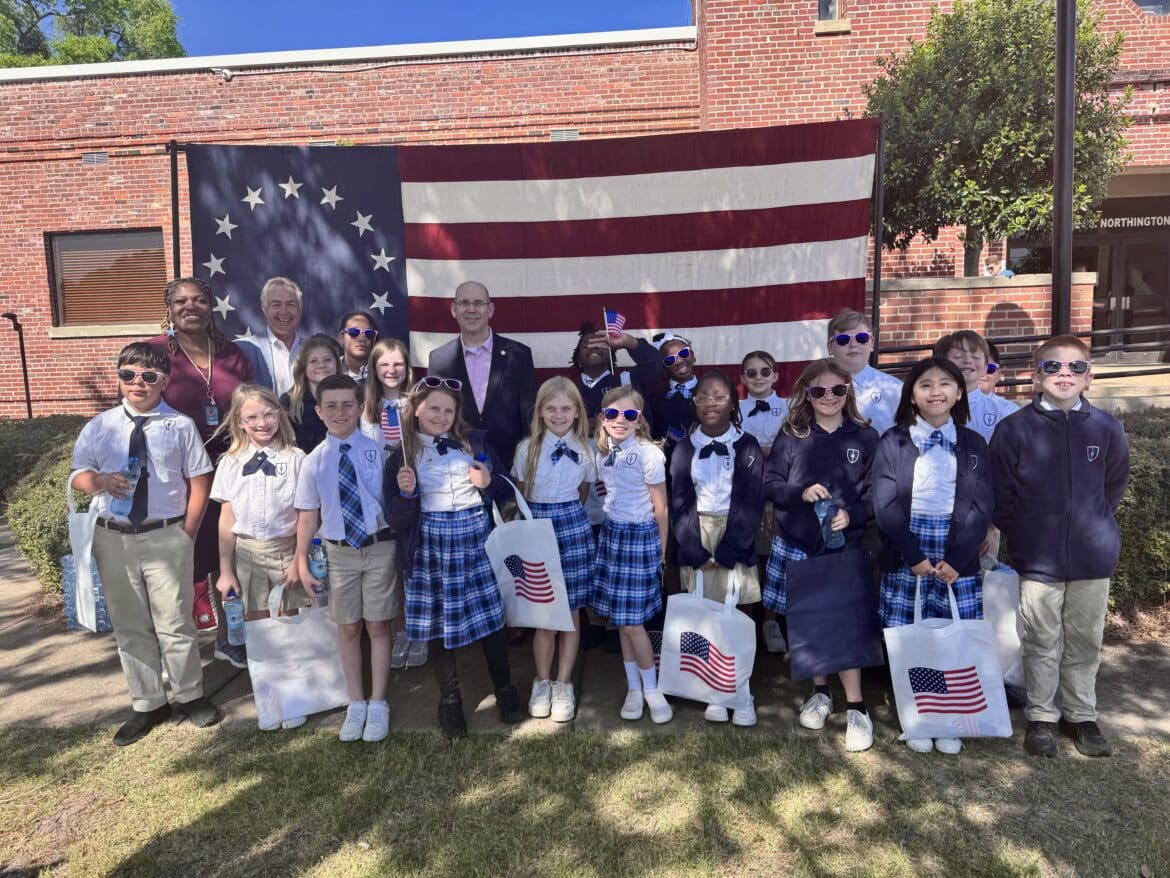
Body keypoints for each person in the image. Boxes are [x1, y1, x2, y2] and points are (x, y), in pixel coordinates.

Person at [70, 342, 221, 746]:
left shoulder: (180, 426)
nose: (138, 383)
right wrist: (100, 481)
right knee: (130, 623)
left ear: (164, 382)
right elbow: (78, 475)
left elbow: (200, 480)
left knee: (176, 621)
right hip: (114, 537)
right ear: (119, 377)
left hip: (167, 535)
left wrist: (187, 533)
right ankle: (148, 701)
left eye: (148, 377)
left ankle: (189, 694)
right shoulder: (100, 426)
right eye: (128, 375)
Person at [990, 335, 1130, 759]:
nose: (1064, 374)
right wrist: (1025, 532)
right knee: (1040, 638)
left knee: (1085, 639)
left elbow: (1113, 484)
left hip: (1092, 556)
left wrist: (1095, 524)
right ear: (1036, 376)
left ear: (1089, 377)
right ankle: (1041, 716)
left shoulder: (1107, 428)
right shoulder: (1014, 429)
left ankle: (1081, 714)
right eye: (1052, 366)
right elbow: (1001, 494)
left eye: (1075, 367)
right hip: (1038, 558)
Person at [386, 375, 524, 739]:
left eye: (449, 410)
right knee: (438, 625)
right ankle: (450, 699)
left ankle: (504, 687)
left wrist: (488, 483)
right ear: (416, 409)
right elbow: (396, 520)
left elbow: (504, 493)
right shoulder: (402, 456)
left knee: (491, 618)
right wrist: (407, 495)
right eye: (433, 408)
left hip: (475, 540)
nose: (441, 416)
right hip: (431, 547)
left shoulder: (473, 445)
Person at [872, 357, 994, 755]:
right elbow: (885, 505)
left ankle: (948, 714)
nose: (935, 391)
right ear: (912, 394)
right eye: (925, 384)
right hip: (909, 547)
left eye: (945, 384)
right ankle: (918, 713)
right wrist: (913, 555)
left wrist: (958, 559)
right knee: (910, 631)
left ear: (959, 393)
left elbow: (981, 506)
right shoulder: (893, 441)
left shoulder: (973, 444)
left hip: (957, 549)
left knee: (950, 632)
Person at [763, 358, 879, 752]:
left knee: (845, 624)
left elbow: (876, 494)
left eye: (837, 390)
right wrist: (800, 492)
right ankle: (820, 692)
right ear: (806, 394)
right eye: (819, 391)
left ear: (848, 392)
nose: (829, 397)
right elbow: (771, 483)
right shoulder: (792, 435)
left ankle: (857, 707)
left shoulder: (865, 437)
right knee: (808, 621)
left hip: (844, 547)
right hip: (799, 543)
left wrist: (854, 514)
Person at [149, 277, 254, 668]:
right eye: (181, 302)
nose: (190, 307)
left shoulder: (232, 354)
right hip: (176, 477)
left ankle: (230, 638)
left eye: (198, 300)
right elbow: (136, 407)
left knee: (227, 557)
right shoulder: (154, 353)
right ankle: (176, 650)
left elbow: (250, 406)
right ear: (169, 310)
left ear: (211, 306)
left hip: (230, 470)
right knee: (178, 563)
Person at [294, 375, 398, 743]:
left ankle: (378, 701)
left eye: (347, 405)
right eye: (331, 406)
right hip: (339, 554)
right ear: (319, 411)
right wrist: (300, 560)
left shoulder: (379, 451)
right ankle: (356, 702)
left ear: (360, 408)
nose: (340, 412)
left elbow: (393, 500)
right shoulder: (314, 461)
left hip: (380, 548)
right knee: (349, 627)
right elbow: (308, 515)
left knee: (378, 625)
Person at [669, 370, 764, 727]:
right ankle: (712, 689)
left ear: (733, 403)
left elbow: (752, 501)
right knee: (704, 614)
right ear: (694, 402)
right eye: (703, 396)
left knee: (738, 612)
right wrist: (694, 549)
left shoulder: (747, 445)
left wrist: (729, 550)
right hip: (697, 533)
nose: (711, 403)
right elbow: (679, 501)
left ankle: (741, 688)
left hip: (735, 536)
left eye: (719, 396)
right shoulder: (683, 448)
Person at [210, 386, 309, 726]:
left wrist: (300, 558)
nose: (262, 422)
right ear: (239, 421)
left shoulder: (296, 459)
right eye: (252, 417)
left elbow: (305, 514)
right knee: (259, 629)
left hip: (286, 551)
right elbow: (226, 520)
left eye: (268, 414)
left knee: (289, 626)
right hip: (248, 553)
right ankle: (271, 701)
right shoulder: (230, 463)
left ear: (280, 415)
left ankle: (294, 699)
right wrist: (225, 569)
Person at [511, 377, 597, 722]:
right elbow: (521, 492)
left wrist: (565, 514)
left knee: (570, 611)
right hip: (537, 527)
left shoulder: (586, 449)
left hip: (572, 526)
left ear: (577, 413)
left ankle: (564, 683)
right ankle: (542, 680)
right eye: (551, 408)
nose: (559, 415)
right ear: (540, 412)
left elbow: (583, 493)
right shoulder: (526, 449)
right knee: (544, 611)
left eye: (565, 408)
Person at [592, 386, 673, 724]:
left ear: (640, 420)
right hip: (613, 535)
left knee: (633, 622)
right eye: (612, 413)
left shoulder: (648, 454)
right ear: (603, 418)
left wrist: (661, 553)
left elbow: (661, 508)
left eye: (629, 414)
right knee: (623, 621)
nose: (620, 420)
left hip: (640, 538)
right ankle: (634, 688)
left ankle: (652, 689)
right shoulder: (602, 453)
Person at [358, 337, 425, 671]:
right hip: (378, 489)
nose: (391, 370)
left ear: (407, 367)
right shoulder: (365, 405)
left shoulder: (417, 400)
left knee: (413, 562)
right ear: (374, 368)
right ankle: (400, 630)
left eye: (398, 364)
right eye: (384, 364)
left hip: (411, 485)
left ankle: (419, 630)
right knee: (392, 567)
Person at [426, 280, 537, 468]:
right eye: (464, 303)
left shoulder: (519, 355)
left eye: (478, 303)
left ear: (490, 309)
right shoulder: (439, 359)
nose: (471, 309)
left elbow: (529, 415)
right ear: (454, 309)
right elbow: (434, 418)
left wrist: (527, 465)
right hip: (456, 467)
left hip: (510, 466)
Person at [739, 349, 790, 654]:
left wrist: (754, 449)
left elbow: (792, 447)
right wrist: (769, 448)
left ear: (775, 376)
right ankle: (746, 619)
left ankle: (770, 621)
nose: (759, 377)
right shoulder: (735, 409)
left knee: (774, 557)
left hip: (779, 493)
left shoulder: (790, 406)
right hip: (744, 494)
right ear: (743, 378)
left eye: (765, 371)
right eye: (752, 372)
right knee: (747, 556)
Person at [825, 309, 901, 436]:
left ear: (872, 343)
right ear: (830, 346)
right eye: (843, 339)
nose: (853, 344)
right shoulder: (815, 390)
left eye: (862, 338)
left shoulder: (895, 390)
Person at [933, 330, 1019, 442]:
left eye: (976, 357)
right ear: (944, 362)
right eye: (958, 356)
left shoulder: (1004, 413)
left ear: (985, 367)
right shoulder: (929, 407)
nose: (968, 360)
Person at [569, 321, 659, 419]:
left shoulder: (627, 381)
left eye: (601, 343)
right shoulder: (567, 388)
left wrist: (628, 342)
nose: (594, 347)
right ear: (578, 357)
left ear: (611, 355)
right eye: (586, 345)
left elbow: (656, 364)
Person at [237, 277, 306, 396]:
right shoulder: (241, 350)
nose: (284, 311)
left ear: (300, 309)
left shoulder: (314, 351)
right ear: (264, 309)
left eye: (291, 304)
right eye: (276, 305)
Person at [282, 334, 343, 454]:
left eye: (327, 360)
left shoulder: (351, 397)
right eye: (313, 361)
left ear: (336, 364)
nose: (321, 365)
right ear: (303, 367)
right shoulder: (289, 402)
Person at [644, 334, 698, 448]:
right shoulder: (654, 399)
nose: (679, 361)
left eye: (684, 353)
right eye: (670, 360)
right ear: (663, 367)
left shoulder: (707, 392)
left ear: (693, 355)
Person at [338, 311, 379, 382]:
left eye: (368, 333)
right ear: (341, 338)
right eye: (354, 332)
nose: (362, 338)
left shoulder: (384, 371)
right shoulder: (329, 370)